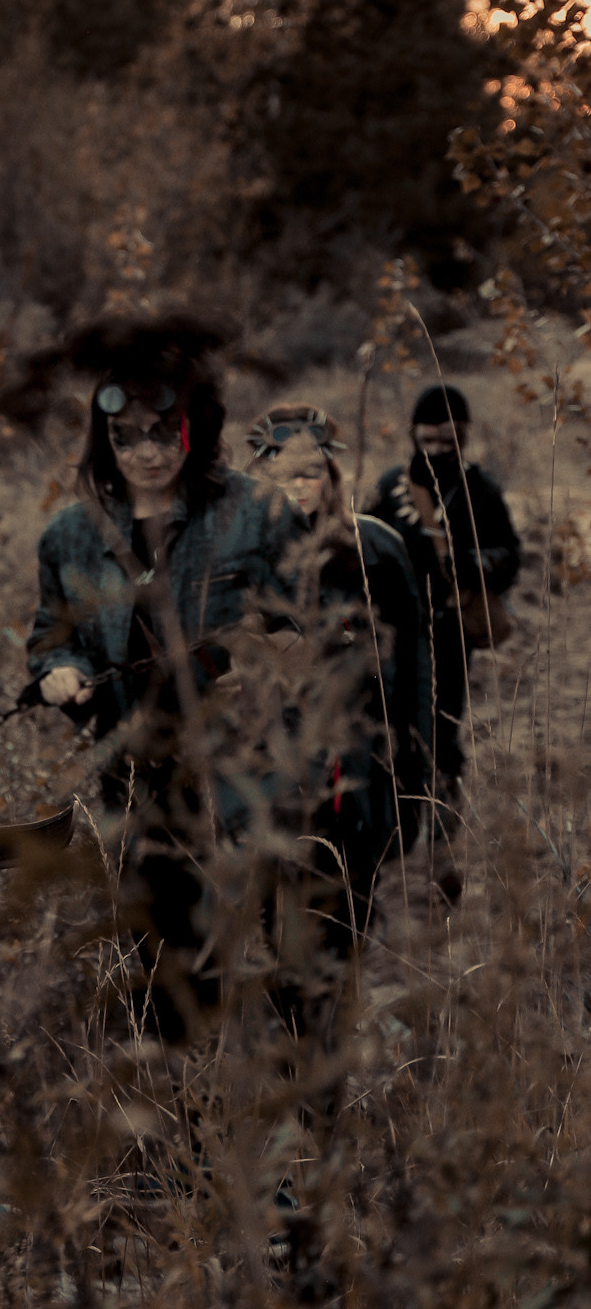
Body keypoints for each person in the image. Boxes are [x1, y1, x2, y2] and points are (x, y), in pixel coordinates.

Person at [26, 315, 300, 1042]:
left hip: (252, 769)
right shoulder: (71, 537)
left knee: (292, 944)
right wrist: (60, 671)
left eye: (163, 433)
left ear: (195, 428)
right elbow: (52, 637)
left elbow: (319, 624)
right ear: (104, 440)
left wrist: (260, 664)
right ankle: (191, 1091)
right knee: (170, 963)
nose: (146, 453)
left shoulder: (257, 513)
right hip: (139, 780)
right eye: (126, 438)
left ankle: (305, 1080)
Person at [246, 401, 430, 967]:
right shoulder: (242, 557)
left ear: (331, 474)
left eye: (310, 473)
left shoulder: (376, 547)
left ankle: (338, 993)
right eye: (283, 475)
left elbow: (415, 662)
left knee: (350, 906)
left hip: (358, 758)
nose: (298, 487)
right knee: (279, 913)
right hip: (272, 762)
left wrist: (419, 761)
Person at [369, 383, 519, 805]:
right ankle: (401, 807)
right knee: (393, 718)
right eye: (427, 440)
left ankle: (444, 806)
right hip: (396, 625)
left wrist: (472, 563)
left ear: (463, 436)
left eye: (447, 441)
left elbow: (510, 555)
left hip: (450, 626)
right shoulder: (391, 486)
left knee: (443, 720)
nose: (435, 450)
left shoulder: (481, 489)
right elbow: (364, 547)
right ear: (413, 434)